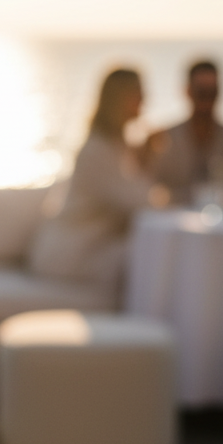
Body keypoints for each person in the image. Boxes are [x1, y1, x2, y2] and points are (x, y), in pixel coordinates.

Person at [30, 68, 154, 307]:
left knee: (145, 253)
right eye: (138, 93)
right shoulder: (97, 151)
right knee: (147, 255)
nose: (145, 99)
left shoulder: (116, 146)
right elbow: (139, 203)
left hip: (87, 249)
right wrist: (147, 163)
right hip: (69, 255)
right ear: (119, 99)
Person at [147, 60, 223, 214]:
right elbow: (147, 192)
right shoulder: (161, 140)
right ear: (187, 91)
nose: (207, 102)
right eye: (201, 93)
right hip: (172, 234)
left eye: (213, 93)